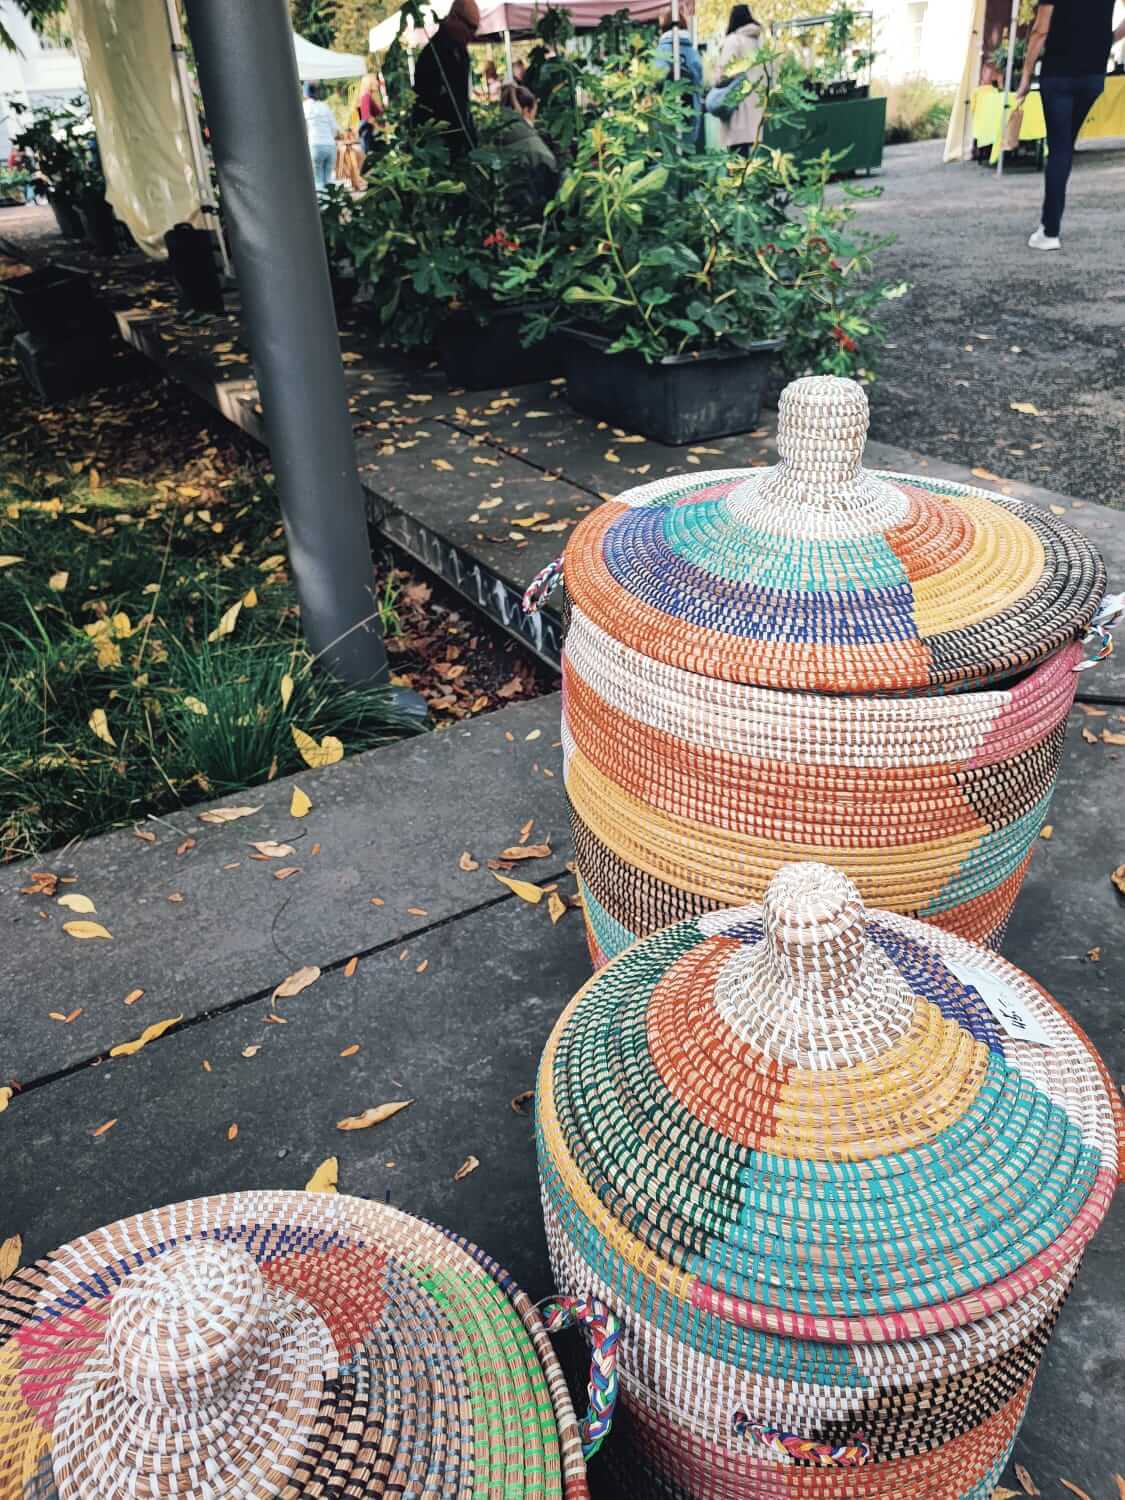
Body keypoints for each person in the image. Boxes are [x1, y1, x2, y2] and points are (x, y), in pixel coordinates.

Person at [1016, 0, 1125, 249]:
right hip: (1094, 76)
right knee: (1063, 148)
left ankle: (1050, 231)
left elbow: (1041, 30)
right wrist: (1109, 39)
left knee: (1059, 151)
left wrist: (1025, 77)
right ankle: (1049, 226)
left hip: (1059, 74)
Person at [413, 0, 481, 150]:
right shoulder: (432, 54)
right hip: (441, 142)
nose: (472, 35)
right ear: (454, 17)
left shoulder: (462, 52)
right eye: (470, 28)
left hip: (462, 139)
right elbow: (425, 104)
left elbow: (462, 101)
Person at [495, 83, 559, 220]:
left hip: (500, 217)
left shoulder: (493, 138)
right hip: (530, 218)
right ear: (526, 110)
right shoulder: (536, 147)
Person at [714, 5, 764, 156]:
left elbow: (724, 73)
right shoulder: (759, 42)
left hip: (737, 110)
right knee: (750, 160)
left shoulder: (734, 41)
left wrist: (715, 81)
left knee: (736, 162)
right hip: (756, 110)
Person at [653, 7, 705, 147]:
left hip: (665, 119)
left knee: (666, 162)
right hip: (690, 116)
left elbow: (655, 81)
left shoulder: (660, 52)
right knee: (687, 158)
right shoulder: (692, 52)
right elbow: (700, 84)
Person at [303, 83, 339, 190]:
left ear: (305, 93)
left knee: (317, 181)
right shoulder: (324, 106)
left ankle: (322, 206)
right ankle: (331, 203)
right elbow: (334, 128)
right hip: (330, 146)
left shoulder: (304, 107)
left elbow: (303, 128)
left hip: (315, 145)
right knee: (328, 180)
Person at [357, 71, 384, 156]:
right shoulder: (366, 96)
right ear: (370, 81)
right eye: (376, 80)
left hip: (368, 136)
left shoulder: (367, 96)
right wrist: (380, 127)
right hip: (368, 137)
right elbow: (367, 117)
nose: (378, 83)